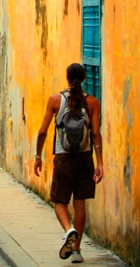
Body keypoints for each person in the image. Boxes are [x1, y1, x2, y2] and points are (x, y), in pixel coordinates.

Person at [33, 63, 103, 264]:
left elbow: (42, 131)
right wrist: (100, 163)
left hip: (63, 158)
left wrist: (38, 156)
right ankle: (78, 250)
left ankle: (68, 229)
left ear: (66, 77)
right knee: (79, 201)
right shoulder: (92, 103)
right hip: (85, 156)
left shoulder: (56, 100)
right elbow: (96, 134)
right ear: (83, 79)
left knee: (59, 201)